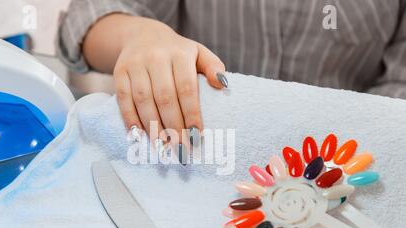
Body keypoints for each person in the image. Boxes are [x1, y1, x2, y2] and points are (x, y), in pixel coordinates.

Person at [57, 0, 406, 164]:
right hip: (195, 158)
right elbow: (86, 18)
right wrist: (138, 34)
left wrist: (356, 148)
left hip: (348, 164)